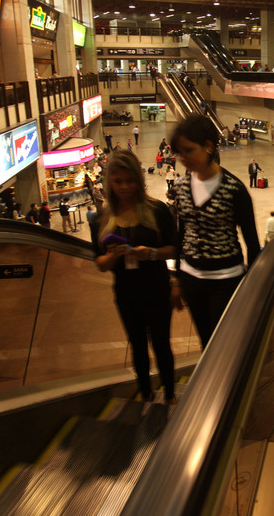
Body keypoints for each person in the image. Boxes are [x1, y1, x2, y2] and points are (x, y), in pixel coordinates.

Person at [95, 150, 179, 403]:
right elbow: (99, 262)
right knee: (138, 347)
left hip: (157, 291)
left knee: (162, 345)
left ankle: (171, 394)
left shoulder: (157, 210)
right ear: (110, 182)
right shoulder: (104, 216)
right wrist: (112, 257)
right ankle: (145, 392)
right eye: (118, 181)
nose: (124, 187)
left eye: (129, 180)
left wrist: (151, 253)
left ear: (139, 181)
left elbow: (175, 248)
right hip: (126, 294)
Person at [171, 114, 260, 349]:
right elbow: (182, 233)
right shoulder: (181, 186)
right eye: (180, 152)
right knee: (205, 341)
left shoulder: (234, 189)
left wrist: (252, 289)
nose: (183, 158)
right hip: (191, 279)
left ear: (208, 146)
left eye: (188, 150)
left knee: (223, 344)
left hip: (226, 280)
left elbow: (252, 242)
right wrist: (177, 278)